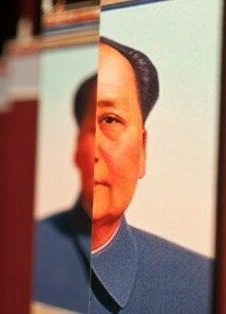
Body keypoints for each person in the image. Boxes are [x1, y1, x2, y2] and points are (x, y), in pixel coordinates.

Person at [33, 37, 212, 313]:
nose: (94, 150)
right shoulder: (17, 253)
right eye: (87, 125)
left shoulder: (202, 287)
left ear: (142, 149)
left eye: (110, 120)